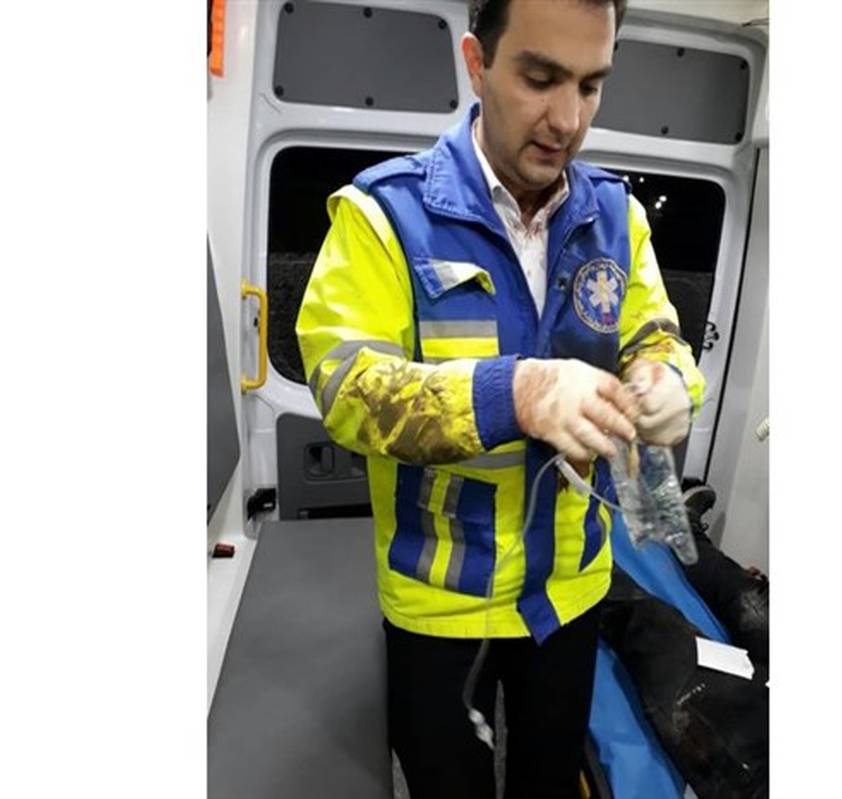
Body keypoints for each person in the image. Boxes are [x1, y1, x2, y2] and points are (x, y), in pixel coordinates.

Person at [296, 1, 705, 796]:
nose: (568, 120)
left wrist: (668, 387)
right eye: (541, 78)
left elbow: (657, 336)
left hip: (571, 589)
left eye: (591, 85)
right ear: (476, 62)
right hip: (441, 603)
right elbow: (345, 386)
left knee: (549, 781)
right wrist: (516, 391)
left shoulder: (617, 219)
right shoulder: (385, 214)